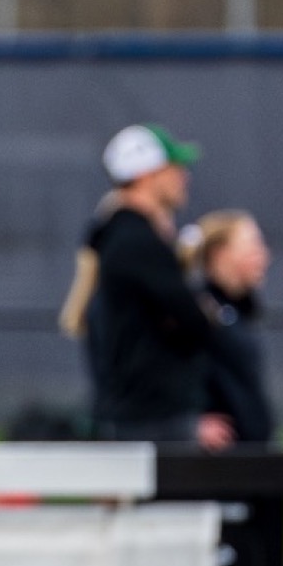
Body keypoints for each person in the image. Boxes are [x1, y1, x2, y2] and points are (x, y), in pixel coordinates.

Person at [65, 123, 224, 446]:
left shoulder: (119, 235)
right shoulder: (136, 241)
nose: (185, 177)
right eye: (175, 168)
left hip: (139, 417)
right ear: (147, 174)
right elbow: (195, 321)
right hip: (151, 421)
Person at [187, 210, 277, 566]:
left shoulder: (241, 311)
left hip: (252, 461)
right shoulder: (199, 310)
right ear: (219, 255)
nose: (262, 257)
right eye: (252, 245)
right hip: (217, 467)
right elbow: (177, 367)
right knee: (221, 564)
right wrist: (195, 420)